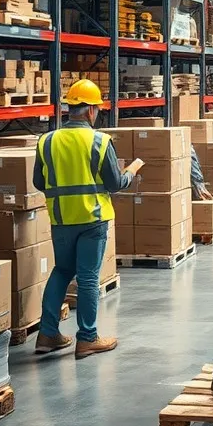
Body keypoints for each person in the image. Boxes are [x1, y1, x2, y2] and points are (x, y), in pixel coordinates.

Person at [33, 80, 143, 358]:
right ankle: (87, 338)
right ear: (92, 111)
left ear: (69, 109)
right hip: (92, 219)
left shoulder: (46, 141)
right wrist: (131, 171)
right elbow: (115, 183)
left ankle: (47, 333)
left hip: (61, 218)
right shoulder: (99, 141)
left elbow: (38, 181)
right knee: (89, 278)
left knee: (61, 271)